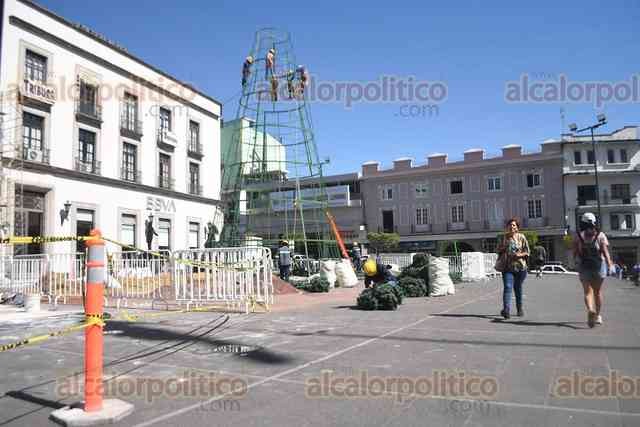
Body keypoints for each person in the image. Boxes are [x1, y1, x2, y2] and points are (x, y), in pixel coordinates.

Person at [573, 212, 614, 328]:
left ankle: (591, 309)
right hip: (599, 267)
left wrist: (575, 261)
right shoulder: (600, 235)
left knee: (587, 292)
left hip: (584, 266)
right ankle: (598, 315)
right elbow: (605, 251)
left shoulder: (578, 236)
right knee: (598, 292)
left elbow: (575, 252)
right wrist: (609, 263)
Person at [496, 218, 530, 319]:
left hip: (520, 267)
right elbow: (497, 250)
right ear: (507, 227)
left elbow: (527, 252)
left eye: (514, 225)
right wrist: (504, 247)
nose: (512, 226)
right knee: (507, 287)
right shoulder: (503, 238)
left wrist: (519, 255)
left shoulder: (521, 237)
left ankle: (519, 308)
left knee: (518, 288)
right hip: (507, 267)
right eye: (510, 225)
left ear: (517, 227)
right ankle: (506, 310)